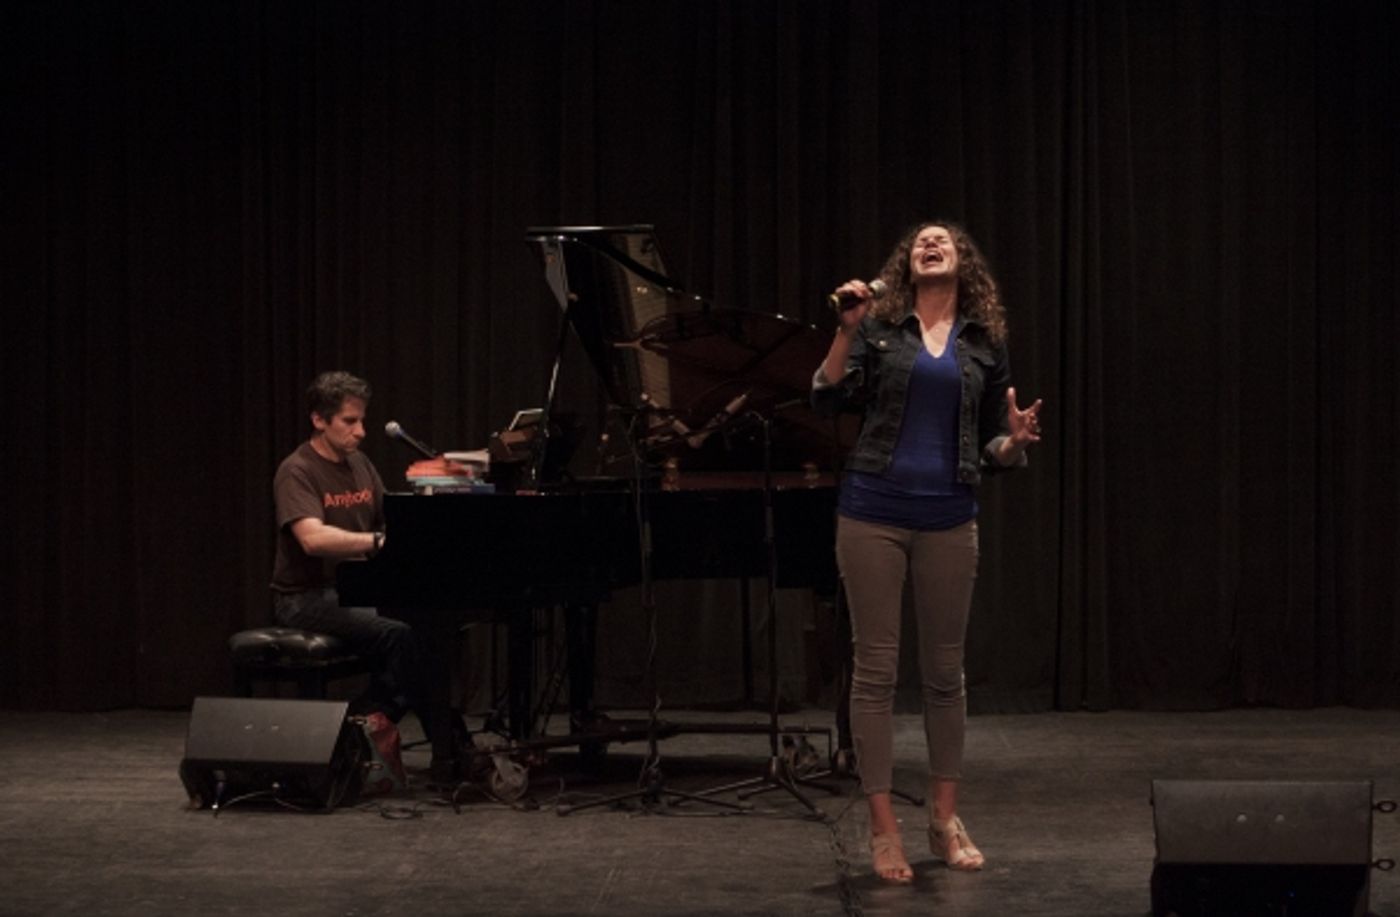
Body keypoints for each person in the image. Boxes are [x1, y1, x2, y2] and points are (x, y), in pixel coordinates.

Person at [812, 222, 1041, 883]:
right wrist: (847, 328)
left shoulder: (982, 340)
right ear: (907, 265)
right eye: (920, 241)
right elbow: (825, 395)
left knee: (945, 673)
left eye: (943, 239)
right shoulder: (880, 331)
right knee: (875, 672)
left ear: (961, 262)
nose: (930, 243)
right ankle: (884, 829)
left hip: (948, 515)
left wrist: (1016, 440)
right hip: (872, 512)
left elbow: (994, 446)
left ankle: (944, 818)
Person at [270, 370, 434, 738]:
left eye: (362, 421)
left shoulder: (360, 463)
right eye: (350, 421)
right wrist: (375, 543)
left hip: (357, 588)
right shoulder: (297, 471)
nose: (360, 431)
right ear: (319, 420)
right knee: (400, 635)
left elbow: (388, 519)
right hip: (305, 598)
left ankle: (376, 713)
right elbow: (312, 539)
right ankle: (401, 727)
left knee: (434, 623)